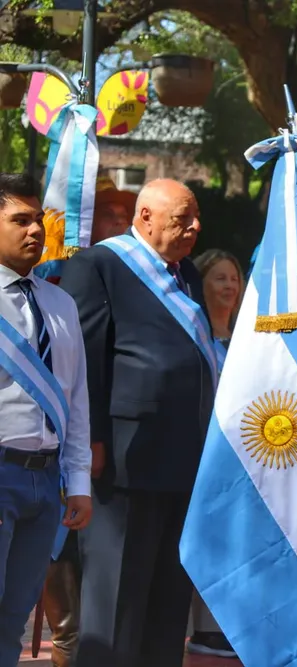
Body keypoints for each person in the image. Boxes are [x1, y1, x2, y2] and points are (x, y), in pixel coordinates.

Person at [60, 179, 217, 667]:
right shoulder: (98, 265)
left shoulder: (187, 271)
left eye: (195, 218)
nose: (194, 227)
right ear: (145, 217)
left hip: (183, 458)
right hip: (124, 460)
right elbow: (86, 359)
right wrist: (94, 442)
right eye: (181, 219)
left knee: (166, 603)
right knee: (116, 606)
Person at [38, 175, 135, 667]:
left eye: (126, 217)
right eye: (110, 216)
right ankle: (65, 638)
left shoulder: (135, 275)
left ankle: (70, 642)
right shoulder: (58, 270)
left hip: (91, 448)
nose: (119, 225)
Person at [0, 173, 93, 667]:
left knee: (14, 618)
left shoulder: (61, 304)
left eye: (38, 219)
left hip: (46, 482)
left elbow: (75, 402)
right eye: (20, 220)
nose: (35, 230)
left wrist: (77, 481)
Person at [185, 249, 244, 660]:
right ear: (202, 283)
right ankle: (201, 626)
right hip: (197, 456)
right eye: (220, 278)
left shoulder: (250, 339)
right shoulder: (192, 336)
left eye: (234, 279)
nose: (229, 286)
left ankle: (229, 621)